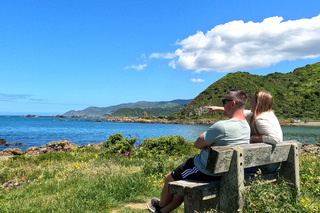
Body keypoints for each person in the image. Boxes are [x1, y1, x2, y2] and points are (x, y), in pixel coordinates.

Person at [147, 89, 250, 213]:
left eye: (224, 101)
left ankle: (160, 206)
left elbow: (197, 144)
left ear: (233, 103)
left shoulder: (222, 126)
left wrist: (208, 144)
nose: (222, 105)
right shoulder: (246, 126)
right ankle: (162, 211)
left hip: (205, 170)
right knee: (180, 186)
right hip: (225, 173)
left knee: (169, 178)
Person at [206, 90, 283, 173]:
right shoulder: (268, 115)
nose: (250, 103)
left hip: (265, 166)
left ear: (258, 103)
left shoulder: (260, 119)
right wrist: (217, 108)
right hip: (272, 162)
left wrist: (252, 138)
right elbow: (240, 111)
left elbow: (275, 138)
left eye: (252, 101)